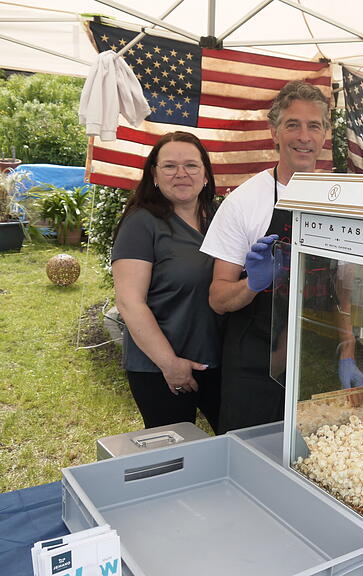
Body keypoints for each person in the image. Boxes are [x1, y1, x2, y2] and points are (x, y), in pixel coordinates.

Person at [201, 80, 363, 433]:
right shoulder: (244, 202)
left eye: (314, 125)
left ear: (325, 134)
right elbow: (217, 298)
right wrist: (253, 283)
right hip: (254, 362)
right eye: (292, 124)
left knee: (315, 460)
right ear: (274, 131)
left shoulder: (343, 201)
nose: (303, 136)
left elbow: (344, 289)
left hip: (315, 357)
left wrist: (347, 348)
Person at [112, 131, 221, 432]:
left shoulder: (220, 217)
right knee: (175, 461)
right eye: (170, 166)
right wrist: (170, 364)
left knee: (240, 445)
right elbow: (129, 302)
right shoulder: (141, 222)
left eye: (191, 165)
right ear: (155, 176)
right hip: (160, 368)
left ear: (206, 175)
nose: (181, 174)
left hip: (221, 361)